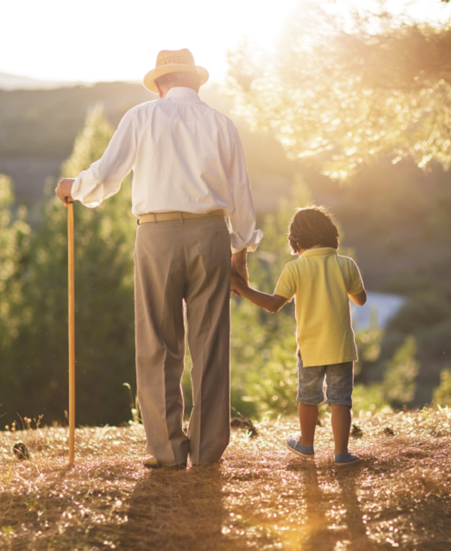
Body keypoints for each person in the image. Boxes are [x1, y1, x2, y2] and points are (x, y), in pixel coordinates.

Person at [55, 49, 262, 469]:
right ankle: (206, 452)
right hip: (212, 236)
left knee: (157, 343)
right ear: (196, 82)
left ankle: (168, 451)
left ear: (161, 83)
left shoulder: (142, 116)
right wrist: (240, 252)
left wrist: (73, 186)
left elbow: (108, 175)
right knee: (210, 345)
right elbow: (241, 193)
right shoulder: (222, 124)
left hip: (156, 234)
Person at [230, 206, 366, 466]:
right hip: (341, 347)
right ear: (331, 236)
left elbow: (272, 305)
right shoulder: (347, 264)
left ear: (296, 241)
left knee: (308, 397)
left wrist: (241, 288)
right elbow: (360, 299)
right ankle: (341, 453)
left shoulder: (294, 269)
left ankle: (306, 444)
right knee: (340, 400)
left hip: (311, 348)